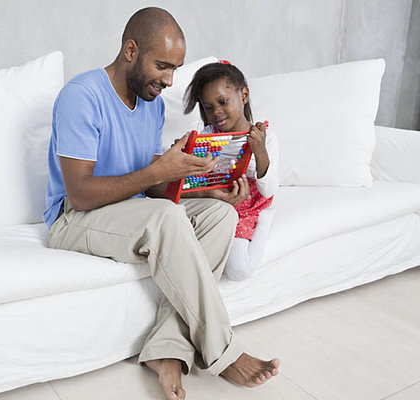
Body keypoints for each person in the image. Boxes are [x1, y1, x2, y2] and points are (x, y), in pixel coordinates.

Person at [43, 7, 279, 400]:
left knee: (220, 215)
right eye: (163, 67)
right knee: (168, 218)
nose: (169, 81)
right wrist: (159, 171)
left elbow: (151, 191)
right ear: (131, 50)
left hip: (132, 211)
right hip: (73, 219)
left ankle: (166, 348)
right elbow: (80, 193)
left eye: (175, 69)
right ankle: (224, 351)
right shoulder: (81, 96)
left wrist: (199, 186)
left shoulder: (150, 104)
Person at [184, 62, 279, 281]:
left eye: (223, 102)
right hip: (216, 203)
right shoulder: (207, 135)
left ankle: (266, 220)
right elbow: (195, 180)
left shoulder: (266, 137)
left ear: (243, 95)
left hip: (248, 207)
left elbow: (269, 189)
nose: (216, 112)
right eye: (208, 107)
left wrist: (260, 152)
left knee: (238, 270)